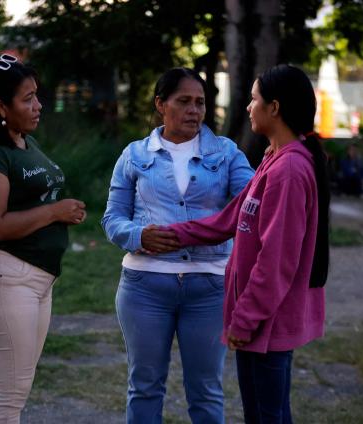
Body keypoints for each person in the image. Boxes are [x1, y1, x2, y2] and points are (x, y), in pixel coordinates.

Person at [167, 64, 330, 423]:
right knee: (261, 414)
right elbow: (230, 219)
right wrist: (173, 235)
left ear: (274, 108)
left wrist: (244, 321)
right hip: (258, 320)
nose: (247, 107)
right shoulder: (274, 159)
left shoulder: (289, 170)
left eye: (254, 99)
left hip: (265, 322)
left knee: (267, 416)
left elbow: (277, 262)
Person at [101, 67, 254, 423]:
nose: (194, 111)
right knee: (144, 386)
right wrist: (139, 236)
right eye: (183, 101)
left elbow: (252, 205)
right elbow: (112, 219)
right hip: (144, 287)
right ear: (160, 105)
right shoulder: (134, 155)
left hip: (209, 287)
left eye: (200, 103)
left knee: (206, 390)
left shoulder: (228, 154)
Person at [0, 54, 87, 424]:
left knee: (17, 391)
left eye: (37, 95)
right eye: (27, 99)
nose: (38, 106)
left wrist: (63, 211)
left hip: (37, 281)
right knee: (8, 398)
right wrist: (55, 213)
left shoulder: (23, 142)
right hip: (7, 279)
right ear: (1, 106)